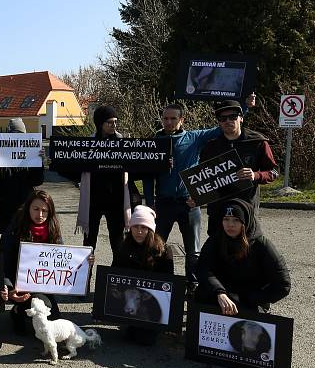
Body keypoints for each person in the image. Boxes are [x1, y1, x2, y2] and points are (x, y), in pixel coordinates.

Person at [143, 103, 222, 286]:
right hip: (164, 203)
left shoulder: (194, 138)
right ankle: (157, 282)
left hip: (189, 203)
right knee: (156, 246)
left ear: (181, 120)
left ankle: (192, 285)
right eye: (165, 118)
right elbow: (147, 176)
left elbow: (222, 128)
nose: (169, 122)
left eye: (173, 118)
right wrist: (149, 202)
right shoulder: (154, 142)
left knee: (192, 250)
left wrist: (244, 108)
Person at [0, 189, 83, 334]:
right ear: (28, 208)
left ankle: (24, 308)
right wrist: (9, 287)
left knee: (53, 317)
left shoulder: (53, 228)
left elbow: (63, 259)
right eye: (36, 209)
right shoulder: (15, 228)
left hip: (42, 285)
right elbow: (4, 261)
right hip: (18, 283)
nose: (40, 215)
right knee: (21, 332)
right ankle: (18, 309)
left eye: (45, 210)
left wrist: (84, 262)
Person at [195, 198, 290, 315]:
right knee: (201, 294)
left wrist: (252, 298)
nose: (230, 224)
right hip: (223, 295)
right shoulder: (215, 240)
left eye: (236, 220)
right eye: (226, 219)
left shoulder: (262, 245)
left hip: (248, 300)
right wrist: (219, 292)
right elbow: (203, 269)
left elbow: (283, 284)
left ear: (245, 222)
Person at [200, 99, 279, 235]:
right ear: (218, 122)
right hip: (218, 210)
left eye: (233, 117)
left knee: (247, 249)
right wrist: (196, 195)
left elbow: (274, 172)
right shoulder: (210, 146)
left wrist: (256, 175)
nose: (228, 121)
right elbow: (202, 177)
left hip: (245, 208)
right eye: (222, 118)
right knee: (217, 251)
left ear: (241, 118)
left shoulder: (257, 142)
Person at [74, 105, 138, 254]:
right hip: (93, 202)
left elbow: (136, 167)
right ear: (100, 124)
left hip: (115, 202)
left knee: (117, 244)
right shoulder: (88, 144)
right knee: (89, 244)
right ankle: (86, 276)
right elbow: (74, 168)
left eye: (115, 122)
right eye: (110, 122)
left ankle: (115, 275)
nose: (114, 126)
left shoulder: (122, 142)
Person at [111, 205, 174, 345]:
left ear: (150, 230)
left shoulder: (163, 251)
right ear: (130, 227)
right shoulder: (122, 247)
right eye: (135, 226)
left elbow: (169, 283)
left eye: (144, 227)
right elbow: (113, 273)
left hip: (150, 300)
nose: (139, 231)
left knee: (146, 339)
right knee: (128, 337)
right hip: (129, 296)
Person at [0, 117, 44, 234]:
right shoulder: (1, 154)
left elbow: (37, 180)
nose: (17, 139)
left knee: (25, 238)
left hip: (25, 203)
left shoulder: (31, 154)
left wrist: (40, 161)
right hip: (5, 205)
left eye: (20, 135)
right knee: (6, 243)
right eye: (14, 134)